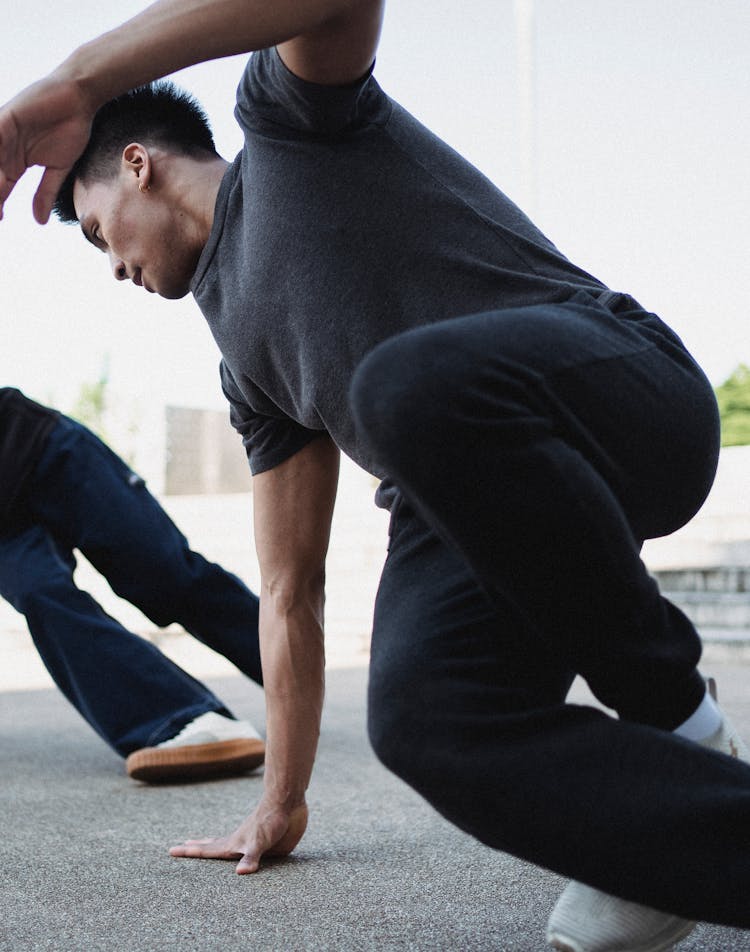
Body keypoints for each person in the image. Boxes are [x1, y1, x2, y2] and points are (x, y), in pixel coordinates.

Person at [1, 3, 748, 949]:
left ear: (139, 165)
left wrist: (81, 77)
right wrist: (282, 801)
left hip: (627, 394)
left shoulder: (289, 126)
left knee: (401, 384)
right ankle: (669, 836)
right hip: (480, 502)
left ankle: (676, 717)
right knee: (420, 718)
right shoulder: (245, 369)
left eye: (99, 234)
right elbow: (288, 589)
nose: (113, 269)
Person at [0, 386, 265, 783]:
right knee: (42, 595)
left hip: (42, 449)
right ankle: (175, 721)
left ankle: (286, 662)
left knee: (164, 575)